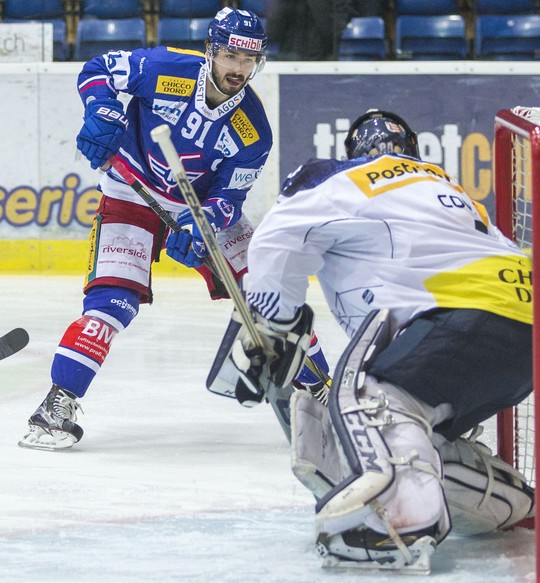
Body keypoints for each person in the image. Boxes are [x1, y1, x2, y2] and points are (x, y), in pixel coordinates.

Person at [219, 109, 535, 570]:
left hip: (464, 313)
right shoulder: (445, 184)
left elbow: (278, 241)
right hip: (528, 327)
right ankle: (509, 501)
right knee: (415, 437)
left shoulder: (329, 175)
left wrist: (269, 327)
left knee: (372, 402)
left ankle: (399, 528)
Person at [18, 7, 327, 451]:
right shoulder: (166, 69)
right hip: (130, 194)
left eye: (248, 59)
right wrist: (103, 111)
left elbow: (228, 198)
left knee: (269, 291)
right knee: (112, 304)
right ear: (210, 51)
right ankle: (57, 404)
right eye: (230, 57)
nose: (239, 69)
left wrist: (203, 226)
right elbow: (98, 69)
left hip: (196, 209)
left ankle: (322, 389)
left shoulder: (252, 128)